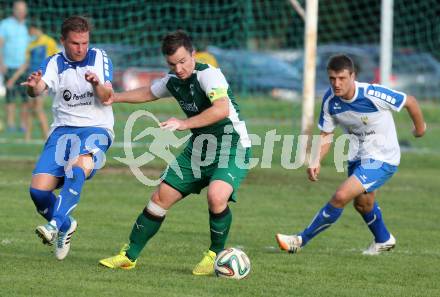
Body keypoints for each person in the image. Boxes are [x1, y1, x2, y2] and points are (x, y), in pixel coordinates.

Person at [99, 30, 251, 275]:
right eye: (172, 64)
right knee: (161, 197)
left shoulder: (208, 74)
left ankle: (215, 255)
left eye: (183, 61)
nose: (179, 68)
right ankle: (129, 256)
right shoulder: (173, 80)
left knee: (216, 195)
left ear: (192, 54)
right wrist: (114, 97)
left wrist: (183, 123)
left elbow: (221, 109)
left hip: (232, 146)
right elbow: (149, 92)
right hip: (199, 148)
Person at [276, 54, 426, 255]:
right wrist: (315, 160)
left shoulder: (372, 94)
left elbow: (410, 101)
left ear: (352, 76)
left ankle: (300, 240)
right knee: (363, 204)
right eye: (332, 78)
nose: (336, 84)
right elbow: (326, 135)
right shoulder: (330, 101)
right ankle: (383, 239)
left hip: (383, 158)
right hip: (358, 156)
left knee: (341, 196)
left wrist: (420, 128)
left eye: (342, 78)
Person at [22, 16, 114, 260]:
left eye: (84, 43)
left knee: (77, 169)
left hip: (97, 128)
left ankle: (54, 225)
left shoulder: (99, 57)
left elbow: (107, 96)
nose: (81, 48)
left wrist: (96, 84)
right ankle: (66, 225)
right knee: (38, 192)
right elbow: (38, 89)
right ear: (63, 41)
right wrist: (32, 86)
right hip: (62, 131)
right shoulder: (55, 61)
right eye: (75, 43)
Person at [7, 19, 58, 141]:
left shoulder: (48, 42)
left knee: (38, 108)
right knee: (31, 108)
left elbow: (56, 60)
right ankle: (27, 136)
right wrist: (12, 79)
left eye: (30, 32)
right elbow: (26, 64)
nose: (29, 34)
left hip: (43, 81)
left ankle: (47, 135)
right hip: (32, 81)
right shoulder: (31, 45)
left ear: (34, 29)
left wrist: (50, 81)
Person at [0, 1, 30, 132]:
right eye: (19, 9)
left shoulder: (28, 26)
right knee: (10, 97)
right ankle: (11, 124)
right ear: (14, 10)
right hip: (9, 66)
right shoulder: (5, 24)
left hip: (25, 67)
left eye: (23, 9)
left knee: (25, 98)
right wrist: (1, 64)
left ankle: (23, 125)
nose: (21, 12)